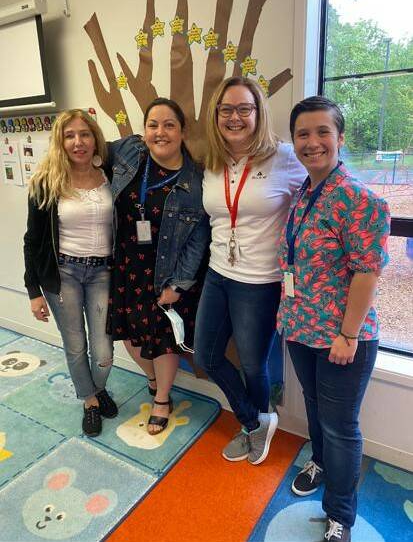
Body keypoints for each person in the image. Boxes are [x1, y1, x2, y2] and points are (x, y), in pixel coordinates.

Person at [277, 96, 390, 542]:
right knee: (314, 406)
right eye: (303, 134)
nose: (312, 142)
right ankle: (319, 461)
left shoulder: (358, 199)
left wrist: (347, 334)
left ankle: (340, 514)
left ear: (340, 138)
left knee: (341, 427)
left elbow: (368, 271)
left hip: (344, 338)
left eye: (323, 132)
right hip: (301, 327)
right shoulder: (306, 190)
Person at [194, 76, 307, 465]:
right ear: (216, 115)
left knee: (254, 364)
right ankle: (256, 421)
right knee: (205, 357)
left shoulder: (286, 157)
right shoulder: (212, 162)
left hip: (259, 282)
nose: (235, 117)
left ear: (259, 113)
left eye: (244, 108)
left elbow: (332, 185)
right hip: (217, 274)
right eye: (226, 109)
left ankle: (254, 426)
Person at [107, 98, 209, 435]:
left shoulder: (194, 181)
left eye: (169, 125)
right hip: (125, 265)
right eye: (153, 124)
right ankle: (151, 379)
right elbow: (90, 145)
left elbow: (198, 241)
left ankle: (162, 398)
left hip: (165, 272)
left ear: (182, 131)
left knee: (162, 339)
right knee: (130, 335)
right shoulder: (130, 153)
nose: (160, 132)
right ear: (144, 129)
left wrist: (177, 284)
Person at [24, 109, 117, 438]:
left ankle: (97, 386)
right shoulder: (46, 182)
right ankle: (90, 399)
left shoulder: (110, 173)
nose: (78, 142)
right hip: (63, 274)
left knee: (104, 350)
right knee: (76, 345)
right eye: (69, 135)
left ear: (95, 139)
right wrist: (33, 291)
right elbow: (32, 241)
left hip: (102, 272)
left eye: (85, 134)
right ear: (60, 142)